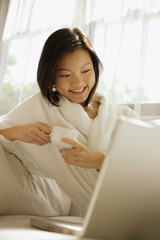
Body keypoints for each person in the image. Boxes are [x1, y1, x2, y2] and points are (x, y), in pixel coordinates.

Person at [0, 28, 137, 216]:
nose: (78, 82)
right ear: (51, 77)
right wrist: (16, 131)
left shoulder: (124, 116)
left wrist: (99, 160)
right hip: (100, 216)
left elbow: (148, 169)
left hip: (144, 205)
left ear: (95, 68)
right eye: (65, 75)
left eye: (86, 70)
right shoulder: (42, 107)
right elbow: (3, 126)